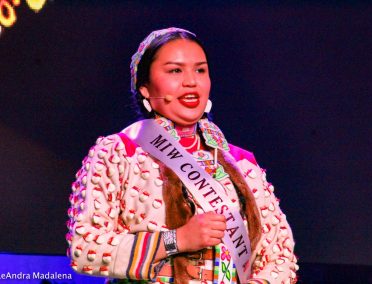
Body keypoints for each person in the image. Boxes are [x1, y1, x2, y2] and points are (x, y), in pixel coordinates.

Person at [66, 27, 299, 284]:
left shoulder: (242, 164)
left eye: (200, 70)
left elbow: (279, 258)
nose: (191, 81)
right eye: (175, 70)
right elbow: (85, 247)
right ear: (144, 87)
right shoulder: (119, 153)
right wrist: (177, 240)